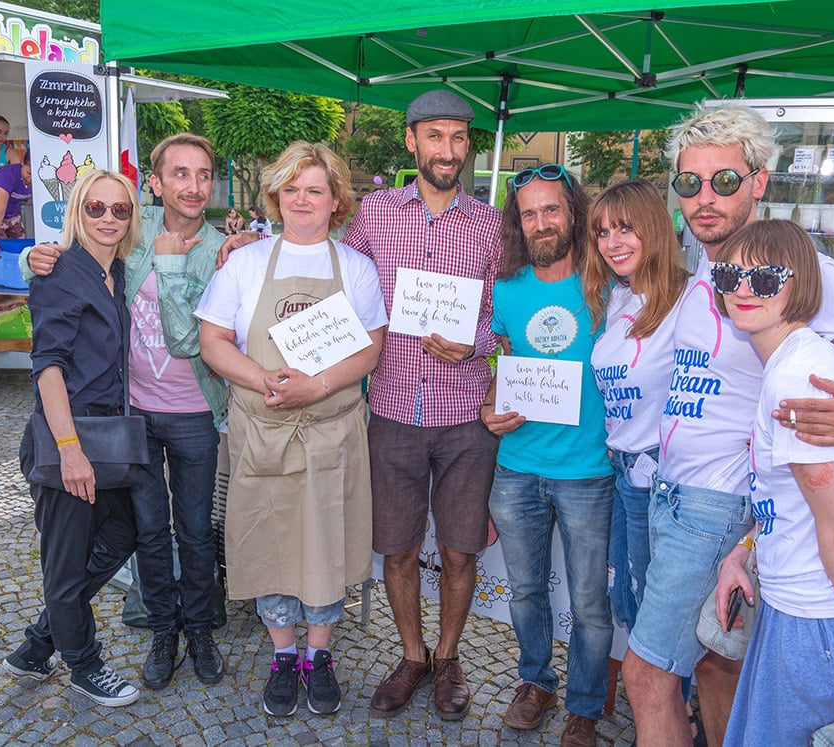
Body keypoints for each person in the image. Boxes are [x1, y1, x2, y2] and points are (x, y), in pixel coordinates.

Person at [621, 104, 834, 747]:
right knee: (718, 667)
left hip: (716, 506)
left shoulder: (801, 275)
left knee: (645, 677)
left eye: (724, 181)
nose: (704, 198)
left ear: (759, 180)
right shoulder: (711, 272)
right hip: (684, 503)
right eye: (689, 183)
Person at [24, 134, 253, 691]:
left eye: (203, 175)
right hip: (134, 417)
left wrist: (233, 247)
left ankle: (200, 630)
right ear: (157, 183)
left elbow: (188, 340)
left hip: (196, 411)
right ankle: (163, 633)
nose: (193, 186)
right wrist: (38, 258)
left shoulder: (229, 251)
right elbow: (78, 260)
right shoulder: (132, 229)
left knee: (196, 531)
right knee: (150, 533)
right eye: (179, 173)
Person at [196, 141, 387, 717]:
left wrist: (317, 387)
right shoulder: (247, 263)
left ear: (336, 200)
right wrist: (264, 380)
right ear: (275, 198)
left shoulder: (354, 267)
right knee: (273, 544)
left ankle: (319, 656)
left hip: (332, 435)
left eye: (316, 190)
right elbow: (212, 342)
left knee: (326, 545)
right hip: (264, 433)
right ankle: (283, 655)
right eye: (292, 189)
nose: (303, 200)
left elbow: (371, 349)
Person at [710, 220, 834, 745]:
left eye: (767, 278)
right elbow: (792, 503)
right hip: (803, 608)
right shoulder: (792, 362)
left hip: (816, 620)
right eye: (730, 275)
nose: (744, 290)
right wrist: (743, 551)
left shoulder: (799, 378)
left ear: (803, 286)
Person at [342, 89, 502, 722]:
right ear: (411, 141)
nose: (448, 150)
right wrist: (245, 250)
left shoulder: (490, 224)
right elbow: (334, 277)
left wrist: (477, 343)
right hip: (393, 411)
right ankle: (411, 656)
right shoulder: (374, 214)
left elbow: (502, 316)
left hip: (465, 417)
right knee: (400, 548)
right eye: (435, 136)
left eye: (459, 138)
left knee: (461, 551)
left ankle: (448, 655)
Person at [481, 164, 613, 746]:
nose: (541, 222)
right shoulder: (507, 290)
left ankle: (584, 706)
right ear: (519, 223)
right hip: (517, 467)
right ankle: (535, 681)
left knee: (588, 600)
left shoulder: (607, 281)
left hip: (589, 471)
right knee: (527, 591)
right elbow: (505, 368)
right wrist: (490, 408)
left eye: (552, 209)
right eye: (529, 213)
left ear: (573, 213)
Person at [3, 168, 143, 707]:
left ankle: (39, 644)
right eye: (96, 208)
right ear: (76, 212)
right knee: (65, 563)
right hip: (67, 435)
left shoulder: (119, 272)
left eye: (120, 210)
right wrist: (69, 451)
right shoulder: (60, 272)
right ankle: (84, 665)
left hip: (106, 433)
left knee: (121, 537)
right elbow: (48, 367)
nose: (108, 218)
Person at [581, 180, 698, 735]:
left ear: (654, 227)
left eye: (625, 227)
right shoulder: (620, 297)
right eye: (602, 231)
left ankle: (685, 718)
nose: (611, 240)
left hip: (667, 481)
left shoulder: (691, 298)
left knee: (666, 620)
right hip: (625, 474)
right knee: (632, 602)